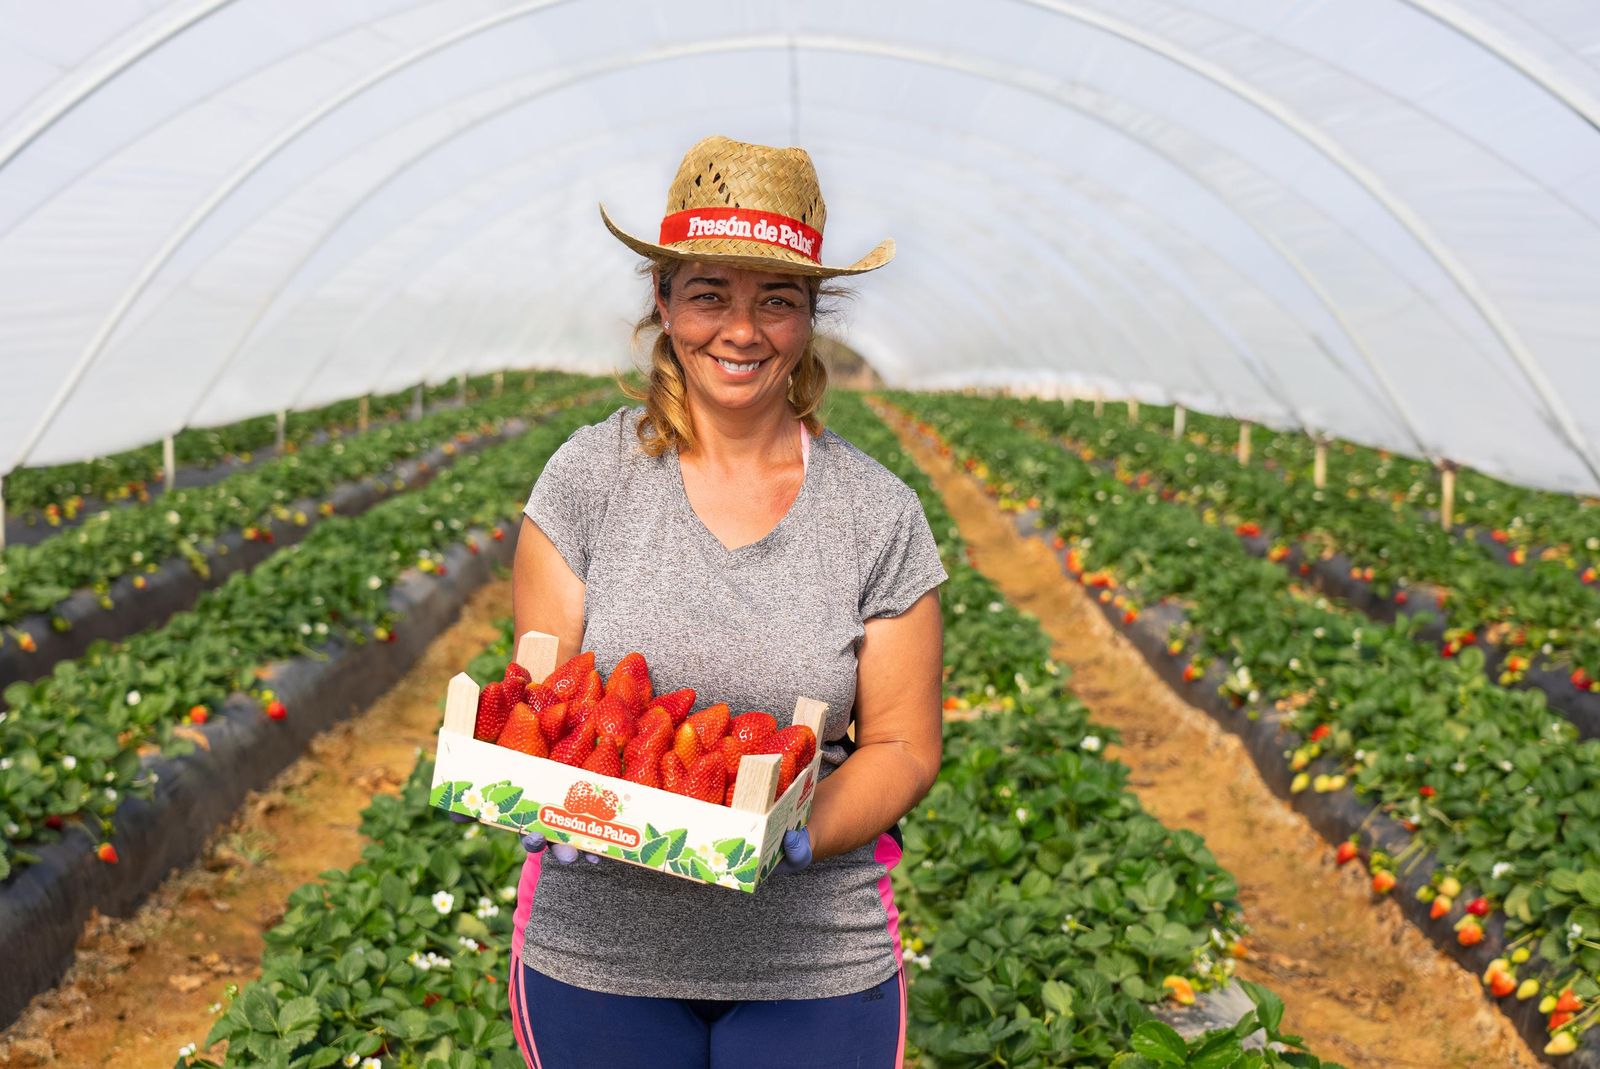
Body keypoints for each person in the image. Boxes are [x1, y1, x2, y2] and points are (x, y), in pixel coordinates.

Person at [505, 135, 947, 1069]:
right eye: (709, 294)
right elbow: (545, 705)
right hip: (598, 954)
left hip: (816, 960)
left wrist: (793, 832)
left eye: (775, 301)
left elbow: (905, 744)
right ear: (663, 302)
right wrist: (556, 806)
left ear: (810, 317)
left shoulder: (879, 515)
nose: (740, 332)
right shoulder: (587, 480)